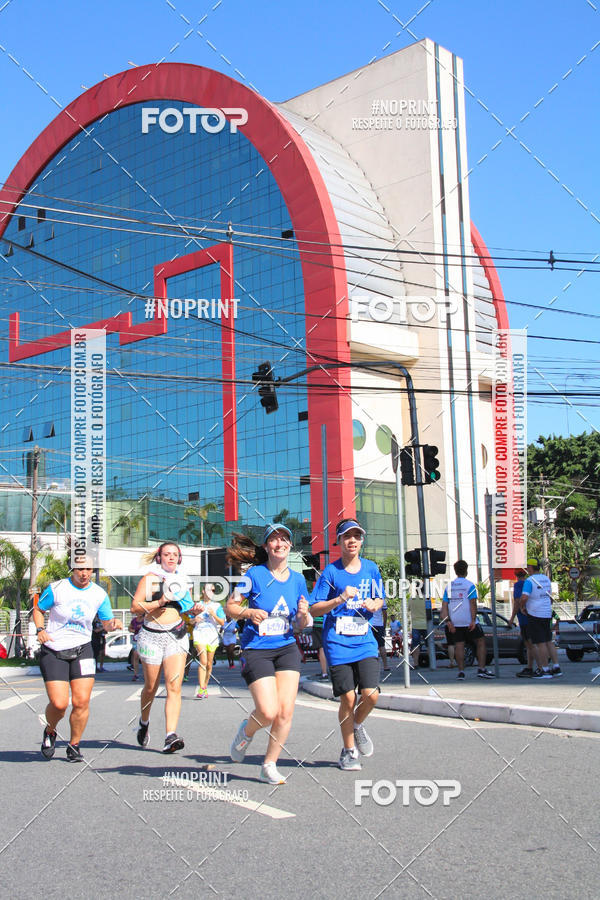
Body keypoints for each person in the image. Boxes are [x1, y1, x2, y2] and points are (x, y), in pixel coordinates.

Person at [226, 524, 310, 785]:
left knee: (285, 712)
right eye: (274, 540)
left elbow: (303, 623)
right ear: (266, 547)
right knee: (268, 711)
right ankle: (247, 731)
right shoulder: (254, 575)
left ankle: (269, 765)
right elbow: (230, 607)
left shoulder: (297, 579)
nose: (279, 543)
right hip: (257, 649)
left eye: (284, 539)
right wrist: (249, 613)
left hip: (286, 646)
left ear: (290, 545)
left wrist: (304, 614)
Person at [310, 518, 384, 771]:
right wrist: (340, 598)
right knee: (348, 699)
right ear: (339, 542)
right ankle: (349, 750)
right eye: (346, 536)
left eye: (356, 536)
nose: (352, 540)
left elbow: (378, 596)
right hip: (337, 643)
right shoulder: (330, 572)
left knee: (370, 695)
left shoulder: (372, 568)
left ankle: (357, 725)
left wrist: (375, 604)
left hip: (364, 641)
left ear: (362, 541)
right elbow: (314, 607)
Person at [32, 558, 122, 762]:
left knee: (81, 701)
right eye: (80, 569)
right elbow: (38, 609)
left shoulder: (99, 593)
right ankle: (50, 730)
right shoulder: (58, 588)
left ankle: (74, 745)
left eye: (88, 569)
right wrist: (40, 630)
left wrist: (113, 624)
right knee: (59, 703)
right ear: (73, 569)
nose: (84, 573)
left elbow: (106, 622)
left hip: (83, 650)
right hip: (54, 649)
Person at [131, 541, 194, 752]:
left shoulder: (183, 580)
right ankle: (144, 722)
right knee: (151, 687)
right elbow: (135, 607)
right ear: (159, 557)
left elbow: (187, 607)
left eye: (174, 555)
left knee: (173, 686)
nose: (170, 557)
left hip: (176, 635)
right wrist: (159, 602)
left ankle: (170, 736)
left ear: (179, 558)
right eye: (166, 554)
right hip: (151, 637)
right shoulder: (150, 578)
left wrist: (196, 609)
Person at [441, 560, 494, 680]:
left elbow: (444, 607)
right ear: (466, 570)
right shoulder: (470, 585)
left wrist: (448, 622)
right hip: (468, 620)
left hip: (455, 621)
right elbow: (473, 603)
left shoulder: (449, 587)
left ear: (455, 571)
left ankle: (461, 671)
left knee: (459, 645)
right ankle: (481, 669)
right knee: (480, 642)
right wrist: (473, 620)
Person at [519, 558, 562, 678]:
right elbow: (549, 597)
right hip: (546, 613)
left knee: (540, 643)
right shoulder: (546, 579)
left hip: (535, 613)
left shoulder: (529, 580)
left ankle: (545, 669)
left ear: (531, 568)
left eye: (528, 567)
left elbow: (524, 597)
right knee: (549, 641)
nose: (527, 569)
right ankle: (556, 666)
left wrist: (522, 607)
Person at [192, 584, 225, 699]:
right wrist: (193, 620)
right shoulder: (197, 605)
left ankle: (205, 686)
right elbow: (190, 621)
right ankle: (201, 688)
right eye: (208, 590)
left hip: (212, 636)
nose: (210, 592)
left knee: (209, 664)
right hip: (199, 634)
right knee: (203, 661)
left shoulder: (217, 606)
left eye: (213, 590)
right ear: (203, 591)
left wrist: (213, 614)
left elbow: (222, 622)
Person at [508, 567, 534, 677]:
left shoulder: (518, 585)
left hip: (523, 617)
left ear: (516, 575)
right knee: (532, 643)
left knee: (529, 644)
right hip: (532, 615)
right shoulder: (530, 583)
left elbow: (517, 602)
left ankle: (531, 667)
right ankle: (532, 666)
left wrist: (512, 617)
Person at [371, 593, 390, 673]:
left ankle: (372, 667)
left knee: (371, 646)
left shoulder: (366, 597)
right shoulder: (381, 600)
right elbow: (385, 614)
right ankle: (385, 665)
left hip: (370, 624)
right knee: (381, 646)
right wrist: (384, 625)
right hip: (379, 625)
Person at [128, 613, 143, 681]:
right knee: (135, 655)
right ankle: (135, 674)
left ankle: (146, 674)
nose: (139, 614)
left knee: (143, 658)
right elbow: (129, 628)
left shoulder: (145, 620)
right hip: (136, 640)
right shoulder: (134, 620)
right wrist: (134, 630)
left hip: (143, 640)